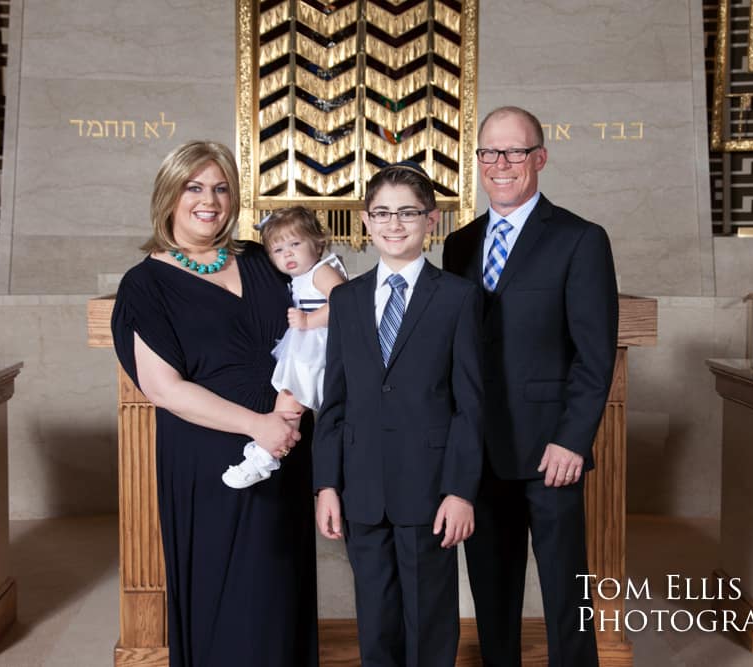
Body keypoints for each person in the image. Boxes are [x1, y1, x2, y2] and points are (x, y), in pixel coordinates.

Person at [109, 141, 319, 667]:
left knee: (279, 593)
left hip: (286, 449)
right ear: (169, 195)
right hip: (209, 460)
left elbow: (319, 321)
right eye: (195, 187)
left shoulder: (263, 260)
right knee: (226, 596)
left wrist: (288, 416)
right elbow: (162, 388)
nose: (210, 200)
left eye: (222, 188)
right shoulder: (145, 284)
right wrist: (258, 426)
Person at [443, 106, 619, 666]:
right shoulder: (458, 245)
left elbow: (594, 355)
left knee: (567, 595)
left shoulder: (580, 239)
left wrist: (573, 438)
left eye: (514, 152)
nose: (500, 164)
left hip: (551, 452)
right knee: (492, 595)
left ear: (539, 158)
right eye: (489, 152)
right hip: (482, 450)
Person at [314, 162, 484, 667]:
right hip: (361, 488)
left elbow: (470, 404)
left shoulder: (458, 298)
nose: (394, 223)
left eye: (407, 212)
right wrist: (326, 484)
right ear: (365, 221)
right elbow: (334, 398)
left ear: (431, 221)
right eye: (382, 212)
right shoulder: (344, 300)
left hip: (429, 489)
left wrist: (460, 490)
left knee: (429, 619)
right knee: (376, 617)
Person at [222, 207, 347, 488]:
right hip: (306, 342)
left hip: (320, 343)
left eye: (295, 244)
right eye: (278, 250)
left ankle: (266, 455)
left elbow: (345, 301)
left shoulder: (321, 271)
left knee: (291, 393)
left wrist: (308, 319)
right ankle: (271, 447)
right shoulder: (299, 277)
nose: (287, 254)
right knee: (290, 396)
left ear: (317, 243)